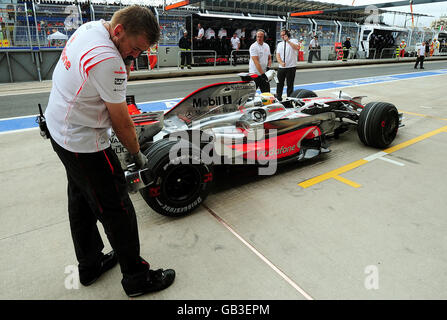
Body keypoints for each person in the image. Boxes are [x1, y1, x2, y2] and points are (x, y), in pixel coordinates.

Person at [44, 5, 175, 298]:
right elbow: (122, 123)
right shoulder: (109, 61)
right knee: (117, 209)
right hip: (83, 141)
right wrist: (138, 155)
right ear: (118, 32)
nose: (136, 56)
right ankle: (137, 278)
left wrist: (128, 52)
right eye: (136, 48)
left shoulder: (90, 28)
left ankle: (89, 265)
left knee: (80, 199)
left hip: (59, 129)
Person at [275, 29, 299, 101]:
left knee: (290, 84)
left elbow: (297, 47)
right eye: (281, 35)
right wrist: (281, 62)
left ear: (287, 35)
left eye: (284, 35)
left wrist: (288, 41)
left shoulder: (294, 41)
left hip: (291, 67)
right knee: (279, 84)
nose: (282, 37)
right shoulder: (280, 44)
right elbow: (277, 55)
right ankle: (279, 97)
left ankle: (289, 99)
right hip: (282, 67)